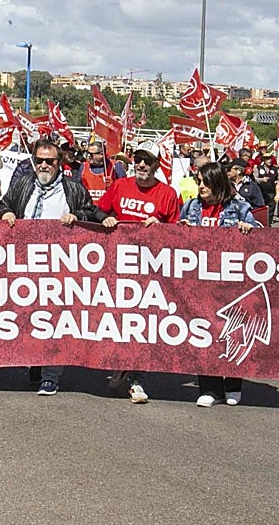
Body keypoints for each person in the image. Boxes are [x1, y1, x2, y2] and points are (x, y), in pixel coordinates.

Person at [0, 139, 107, 395]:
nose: (44, 165)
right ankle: (37, 361)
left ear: (60, 163)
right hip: (25, 264)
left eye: (50, 161)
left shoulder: (72, 188)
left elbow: (91, 212)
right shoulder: (23, 183)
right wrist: (6, 214)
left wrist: (77, 217)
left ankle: (51, 374)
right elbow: (5, 204)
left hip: (60, 268)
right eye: (39, 160)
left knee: (55, 319)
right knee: (30, 317)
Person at [97, 139, 180, 404]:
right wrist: (105, 219)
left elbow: (180, 234)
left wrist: (162, 227)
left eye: (148, 160)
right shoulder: (120, 186)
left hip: (150, 269)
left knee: (141, 323)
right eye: (139, 159)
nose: (142, 164)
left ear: (157, 164)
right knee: (119, 320)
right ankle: (120, 365)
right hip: (117, 265)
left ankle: (135, 379)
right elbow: (96, 212)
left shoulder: (167, 194)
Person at [179, 160, 258, 407]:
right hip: (200, 281)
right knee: (204, 332)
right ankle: (210, 388)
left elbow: (262, 237)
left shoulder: (238, 206)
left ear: (217, 183)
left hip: (231, 282)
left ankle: (233, 383)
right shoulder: (191, 206)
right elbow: (175, 236)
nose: (200, 187)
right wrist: (182, 230)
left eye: (204, 182)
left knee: (234, 329)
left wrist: (249, 229)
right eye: (198, 182)